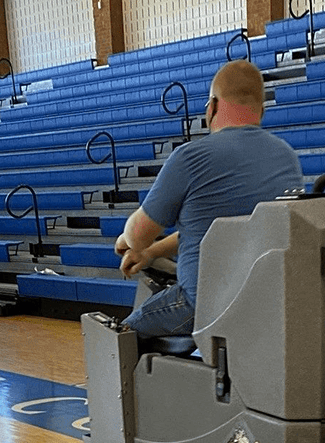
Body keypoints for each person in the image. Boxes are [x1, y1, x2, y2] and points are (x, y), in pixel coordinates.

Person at [114, 59, 304, 339]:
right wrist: (151, 253)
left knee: (119, 336)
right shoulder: (288, 158)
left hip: (202, 305)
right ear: (261, 110)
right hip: (267, 301)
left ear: (212, 106)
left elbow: (138, 235)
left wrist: (127, 241)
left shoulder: (190, 157)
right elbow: (215, 231)